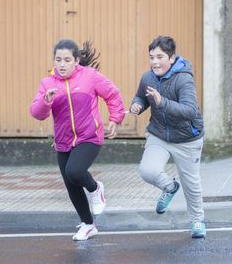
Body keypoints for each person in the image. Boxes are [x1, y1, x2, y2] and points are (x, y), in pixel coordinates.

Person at [30, 39, 125, 241]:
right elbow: (37, 113)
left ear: (76, 60)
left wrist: (115, 119)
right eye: (58, 60)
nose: (62, 64)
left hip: (89, 136)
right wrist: (45, 101)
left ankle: (95, 188)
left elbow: (113, 94)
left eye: (66, 60)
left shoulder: (90, 76)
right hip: (63, 141)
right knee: (71, 183)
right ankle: (88, 225)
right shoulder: (47, 83)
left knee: (75, 171)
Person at [130, 36, 206, 238]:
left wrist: (162, 102)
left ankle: (197, 221)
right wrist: (137, 104)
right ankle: (170, 187)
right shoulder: (148, 77)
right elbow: (141, 96)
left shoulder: (183, 78)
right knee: (148, 171)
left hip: (187, 138)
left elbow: (190, 111)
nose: (154, 62)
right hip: (160, 134)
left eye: (160, 57)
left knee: (191, 183)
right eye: (151, 57)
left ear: (171, 58)